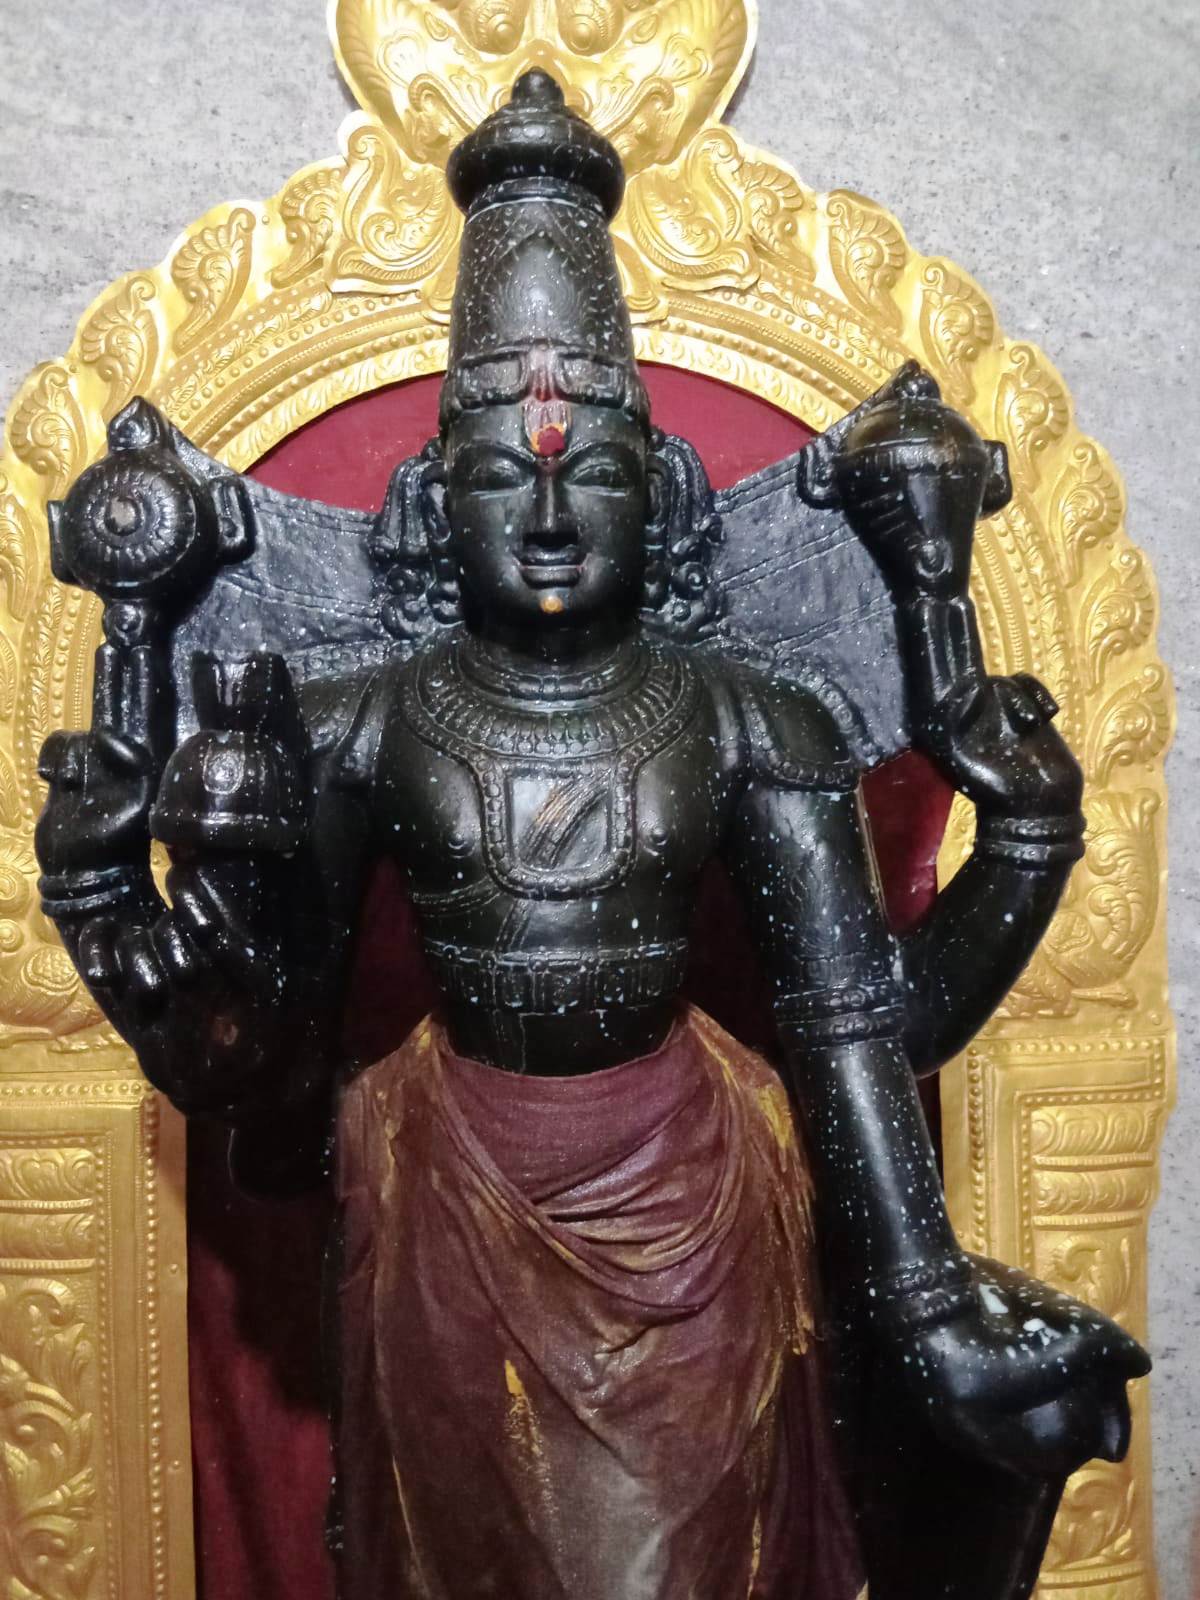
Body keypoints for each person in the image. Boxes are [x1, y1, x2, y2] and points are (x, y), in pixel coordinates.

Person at [34, 70, 1147, 1600]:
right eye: (503, 472)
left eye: (596, 471)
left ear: (662, 493)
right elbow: (275, 1085)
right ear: (436, 500)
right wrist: (124, 925)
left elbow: (856, 1034)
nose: (550, 515)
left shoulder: (754, 719)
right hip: (442, 1196)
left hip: (690, 1205)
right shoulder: (357, 723)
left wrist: (922, 1284)